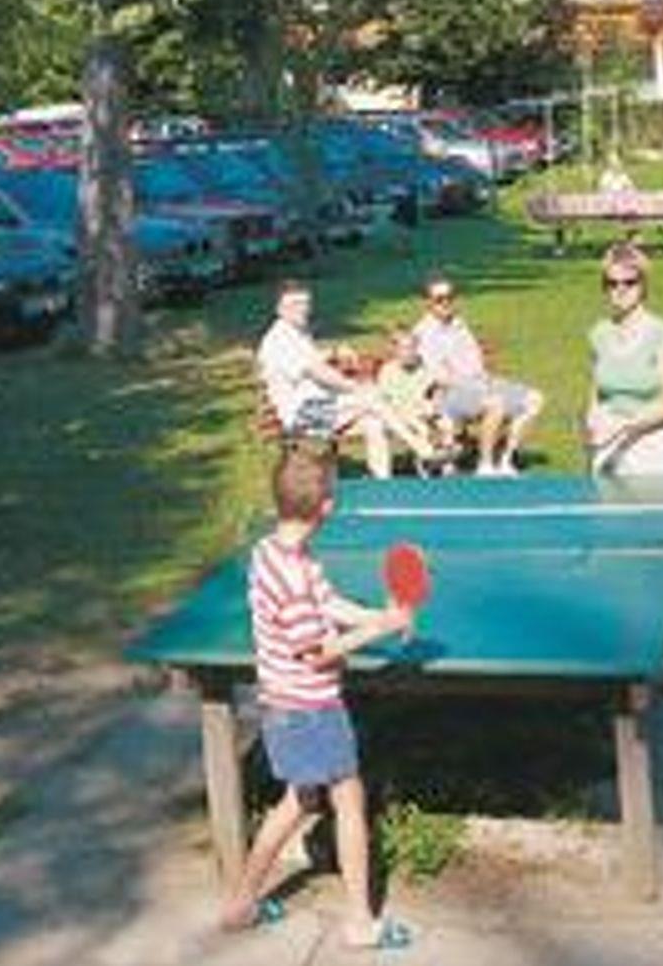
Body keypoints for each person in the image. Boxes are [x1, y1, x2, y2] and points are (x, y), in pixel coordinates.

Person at [218, 450, 416, 950]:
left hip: (281, 704)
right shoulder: (292, 574)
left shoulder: (273, 552)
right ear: (326, 506)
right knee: (348, 801)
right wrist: (382, 629)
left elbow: (327, 603)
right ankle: (360, 923)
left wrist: (377, 617)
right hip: (310, 709)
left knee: (298, 800)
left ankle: (241, 905)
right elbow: (318, 652)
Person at [257, 280, 438, 479]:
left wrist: (334, 351)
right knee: (370, 396)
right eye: (294, 304)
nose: (302, 309)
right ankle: (423, 449)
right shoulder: (280, 339)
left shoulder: (297, 333)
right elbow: (318, 372)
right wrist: (353, 387)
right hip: (302, 415)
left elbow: (312, 359)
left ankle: (383, 483)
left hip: (319, 407)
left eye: (305, 303)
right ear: (279, 309)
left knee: (373, 422)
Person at [414, 273, 545, 477]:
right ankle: (485, 465)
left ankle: (505, 460)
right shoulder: (424, 333)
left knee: (534, 399)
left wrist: (484, 382)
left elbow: (476, 363)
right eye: (439, 299)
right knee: (495, 403)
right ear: (428, 303)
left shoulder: (459, 325)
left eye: (450, 297)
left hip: (480, 383)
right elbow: (439, 378)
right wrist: (475, 385)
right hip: (448, 395)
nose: (446, 303)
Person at [583, 244, 663, 475]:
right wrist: (591, 426)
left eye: (629, 282)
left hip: (655, 443)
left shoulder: (662, 334)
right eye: (612, 283)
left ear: (643, 285)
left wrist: (626, 426)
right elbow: (596, 393)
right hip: (608, 441)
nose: (620, 289)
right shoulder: (599, 334)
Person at [374, 328, 458, 475]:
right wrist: (412, 414)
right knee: (421, 428)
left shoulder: (424, 367)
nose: (409, 353)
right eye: (404, 348)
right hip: (400, 414)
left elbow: (441, 385)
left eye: (412, 348)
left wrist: (436, 398)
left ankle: (446, 462)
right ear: (395, 351)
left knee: (446, 423)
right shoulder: (387, 371)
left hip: (423, 410)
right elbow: (386, 402)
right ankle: (428, 461)